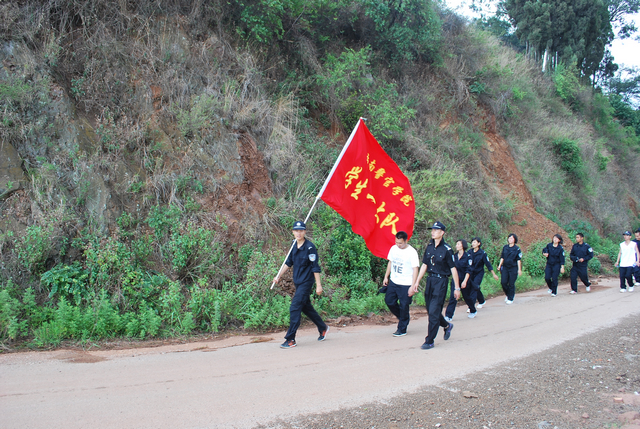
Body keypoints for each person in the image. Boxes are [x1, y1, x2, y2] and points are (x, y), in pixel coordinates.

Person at [273, 221, 329, 348]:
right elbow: (288, 262)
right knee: (305, 307)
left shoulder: (310, 247)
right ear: (293, 232)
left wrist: (319, 285)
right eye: (296, 230)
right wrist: (278, 276)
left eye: (301, 230)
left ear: (304, 232)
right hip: (297, 282)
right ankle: (323, 327)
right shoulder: (293, 245)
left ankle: (290, 339)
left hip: (306, 282)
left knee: (295, 307)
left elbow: (315, 267)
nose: (298, 233)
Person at [410, 221, 460, 350]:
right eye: (432, 230)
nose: (433, 232)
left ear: (442, 233)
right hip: (430, 281)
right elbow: (425, 265)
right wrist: (417, 281)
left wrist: (457, 288)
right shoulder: (430, 246)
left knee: (433, 312)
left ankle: (429, 340)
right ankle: (447, 326)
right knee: (431, 310)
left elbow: (453, 269)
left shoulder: (447, 250)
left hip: (441, 282)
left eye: (436, 230)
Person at [382, 231, 420, 336]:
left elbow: (415, 269)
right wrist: (386, 276)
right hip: (394, 281)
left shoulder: (412, 252)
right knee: (389, 301)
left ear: (406, 241)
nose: (398, 245)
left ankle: (402, 329)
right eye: (396, 242)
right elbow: (390, 262)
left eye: (400, 243)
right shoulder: (393, 249)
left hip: (406, 283)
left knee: (404, 305)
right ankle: (403, 317)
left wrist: (413, 285)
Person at [467, 237, 499, 310]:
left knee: (475, 287)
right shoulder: (469, 252)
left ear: (479, 243)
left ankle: (471, 306)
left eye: (475, 242)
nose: (473, 243)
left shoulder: (483, 253)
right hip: (471, 273)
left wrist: (494, 274)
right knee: (474, 287)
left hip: (479, 273)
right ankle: (481, 301)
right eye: (472, 242)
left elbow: (488, 264)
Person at [444, 240, 472, 321]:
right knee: (453, 297)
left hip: (464, 279)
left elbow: (469, 270)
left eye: (458, 244)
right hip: (455, 280)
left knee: (467, 297)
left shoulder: (468, 256)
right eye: (456, 244)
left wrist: (465, 281)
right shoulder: (454, 256)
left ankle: (472, 310)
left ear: (463, 245)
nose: (456, 245)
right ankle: (449, 315)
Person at [497, 233, 522, 304]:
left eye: (512, 238)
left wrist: (519, 270)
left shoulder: (517, 249)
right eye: (509, 238)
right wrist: (499, 265)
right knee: (503, 282)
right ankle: (508, 294)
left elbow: (518, 260)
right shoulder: (505, 247)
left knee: (511, 283)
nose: (510, 239)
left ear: (514, 240)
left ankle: (511, 298)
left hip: (513, 268)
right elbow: (502, 257)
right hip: (505, 267)